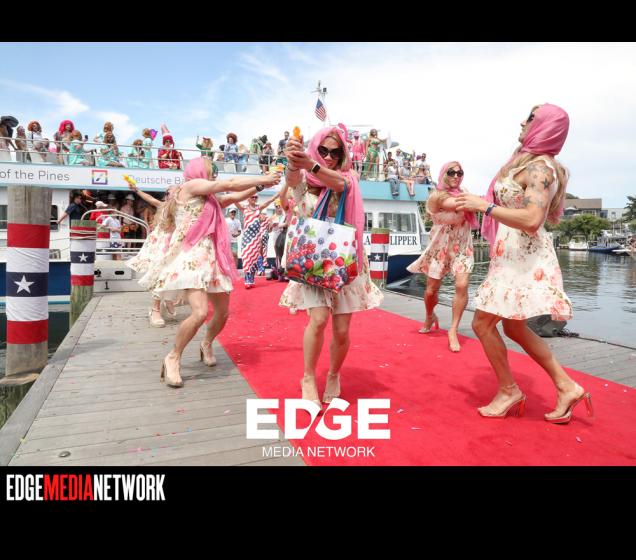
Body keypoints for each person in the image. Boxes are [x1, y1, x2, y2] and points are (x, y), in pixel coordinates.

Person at [455, 103, 592, 423]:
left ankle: (509, 390)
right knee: (513, 327)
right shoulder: (528, 163)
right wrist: (477, 204)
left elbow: (531, 219)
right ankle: (566, 387)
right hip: (511, 255)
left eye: (530, 118)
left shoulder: (540, 168)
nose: (522, 122)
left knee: (482, 324)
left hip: (523, 258)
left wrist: (484, 207)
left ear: (545, 126)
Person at [134, 157, 281, 388]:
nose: (214, 176)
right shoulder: (191, 186)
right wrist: (265, 177)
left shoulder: (208, 198)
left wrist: (261, 186)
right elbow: (229, 185)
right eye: (212, 171)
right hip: (192, 258)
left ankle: (206, 343)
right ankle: (173, 357)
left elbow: (232, 197)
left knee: (222, 313)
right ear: (200, 171)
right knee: (200, 312)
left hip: (212, 259)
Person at [280, 123, 384, 406]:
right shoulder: (304, 178)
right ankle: (308, 377)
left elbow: (340, 184)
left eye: (335, 153)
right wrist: (294, 160)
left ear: (343, 155)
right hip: (312, 258)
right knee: (318, 319)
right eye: (323, 150)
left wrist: (311, 164)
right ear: (314, 148)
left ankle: (334, 374)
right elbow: (291, 179)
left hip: (343, 258)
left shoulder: (347, 177)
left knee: (341, 330)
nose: (328, 157)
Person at [407, 162, 479, 352]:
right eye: (451, 172)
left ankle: (453, 329)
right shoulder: (437, 196)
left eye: (459, 172)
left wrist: (479, 201)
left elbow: (473, 204)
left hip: (462, 245)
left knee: (462, 284)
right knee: (431, 290)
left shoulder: (465, 192)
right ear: (443, 174)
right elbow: (456, 204)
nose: (456, 176)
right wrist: (482, 201)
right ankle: (430, 315)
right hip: (440, 246)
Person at [238, 190, 280, 288]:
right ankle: (247, 279)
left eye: (256, 197)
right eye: (252, 197)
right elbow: (234, 200)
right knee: (246, 257)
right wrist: (230, 190)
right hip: (247, 236)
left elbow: (269, 201)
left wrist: (278, 194)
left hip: (256, 237)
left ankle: (251, 279)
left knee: (254, 257)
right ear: (248, 198)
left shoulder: (258, 208)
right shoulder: (244, 208)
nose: (254, 198)